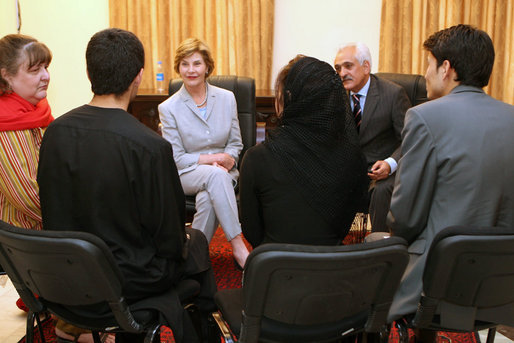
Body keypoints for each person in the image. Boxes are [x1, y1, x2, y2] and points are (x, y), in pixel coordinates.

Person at [38, 28, 217, 343]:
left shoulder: (54, 133)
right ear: (138, 76)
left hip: (67, 276)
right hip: (128, 282)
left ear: (89, 71)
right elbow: (170, 240)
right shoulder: (150, 146)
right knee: (198, 244)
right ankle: (204, 329)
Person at [386, 24, 514, 331]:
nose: (426, 74)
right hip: (499, 285)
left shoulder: (425, 117)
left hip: (433, 283)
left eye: (429, 64)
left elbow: (405, 217)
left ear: (446, 68)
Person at [239, 55, 368, 247]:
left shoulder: (257, 158)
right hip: (334, 268)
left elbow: (251, 229)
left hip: (276, 268)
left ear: (289, 100)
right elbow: (344, 225)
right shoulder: (352, 158)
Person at [158, 38, 249, 269]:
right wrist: (214, 160)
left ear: (207, 66)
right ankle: (239, 247)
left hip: (224, 172)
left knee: (209, 197)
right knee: (215, 177)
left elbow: (236, 143)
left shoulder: (227, 98)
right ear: (178, 68)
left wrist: (228, 159)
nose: (191, 70)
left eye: (196, 63)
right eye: (185, 64)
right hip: (187, 174)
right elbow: (176, 158)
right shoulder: (168, 108)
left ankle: (193, 260)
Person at [334, 42, 411, 232]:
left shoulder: (393, 94)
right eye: (338, 68)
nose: (342, 73)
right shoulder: (336, 95)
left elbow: (410, 140)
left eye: (348, 66)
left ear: (366, 66)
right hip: (349, 168)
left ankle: (377, 248)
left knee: (381, 190)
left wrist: (390, 163)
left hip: (381, 171)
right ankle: (329, 247)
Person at [0, 34, 52, 231]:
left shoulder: (36, 110)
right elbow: (29, 197)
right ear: (6, 75)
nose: (45, 76)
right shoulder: (5, 122)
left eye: (46, 67)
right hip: (20, 242)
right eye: (35, 70)